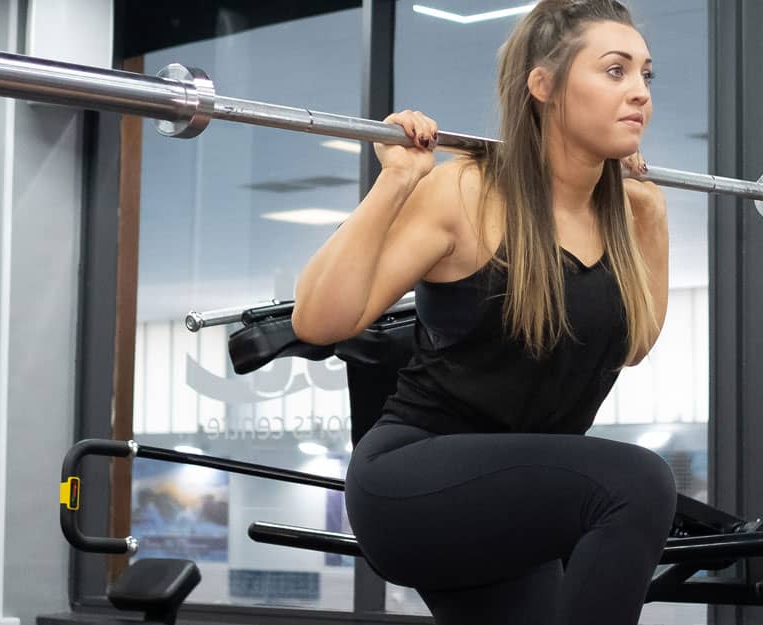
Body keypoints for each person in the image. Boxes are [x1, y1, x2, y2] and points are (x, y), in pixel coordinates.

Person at [287, 1, 674, 622]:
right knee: (636, 483)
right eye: (614, 70)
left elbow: (633, 344)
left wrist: (652, 219)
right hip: (412, 481)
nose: (639, 93)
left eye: (645, 75)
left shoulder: (621, 212)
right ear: (543, 86)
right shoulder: (468, 191)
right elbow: (319, 321)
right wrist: (397, 183)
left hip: (512, 495)